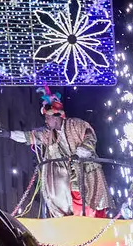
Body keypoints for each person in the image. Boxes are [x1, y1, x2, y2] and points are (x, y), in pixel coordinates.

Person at [8, 87, 111, 218]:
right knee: (68, 199)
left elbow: (90, 137)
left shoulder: (76, 124)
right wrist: (8, 134)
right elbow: (29, 136)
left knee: (88, 205)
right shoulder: (48, 134)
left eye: (47, 117)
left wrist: (79, 154)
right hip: (68, 177)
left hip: (86, 172)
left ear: (56, 117)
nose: (45, 121)